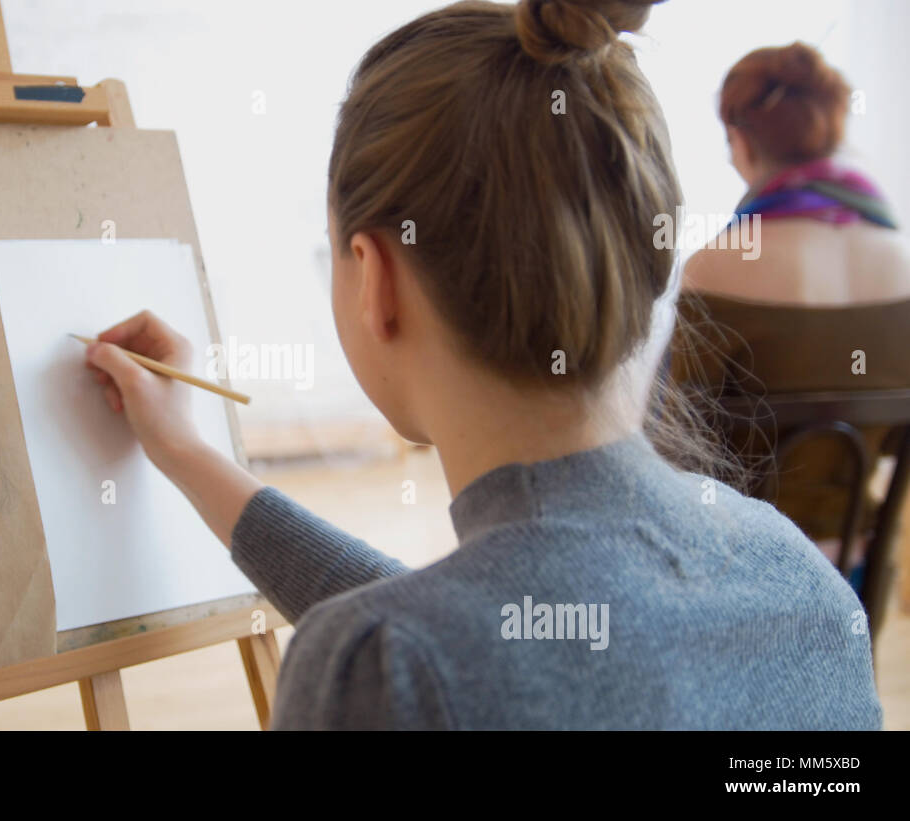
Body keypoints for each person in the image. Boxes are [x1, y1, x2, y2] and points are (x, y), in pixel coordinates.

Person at [84, 0, 882, 729]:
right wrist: (188, 452)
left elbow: (448, 651)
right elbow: (503, 631)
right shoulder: (797, 581)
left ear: (376, 276)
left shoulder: (385, 666)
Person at [676, 41, 910, 588]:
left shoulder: (714, 268)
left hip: (737, 569)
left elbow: (678, 446)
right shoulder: (902, 262)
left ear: (739, 138)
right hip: (853, 565)